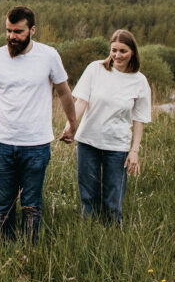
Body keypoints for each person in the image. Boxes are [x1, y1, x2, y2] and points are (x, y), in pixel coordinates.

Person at [0, 6, 77, 242]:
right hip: (3, 144)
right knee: (4, 206)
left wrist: (72, 125)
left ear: (32, 30)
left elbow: (64, 92)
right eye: (8, 31)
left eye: (18, 32)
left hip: (37, 145)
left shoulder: (49, 56)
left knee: (31, 206)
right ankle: (4, 252)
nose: (12, 36)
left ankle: (28, 253)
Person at [60, 29, 151, 225]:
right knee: (88, 197)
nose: (117, 55)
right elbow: (81, 101)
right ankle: (89, 232)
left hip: (117, 146)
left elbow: (139, 119)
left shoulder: (139, 81)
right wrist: (70, 126)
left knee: (113, 200)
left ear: (133, 52)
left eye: (123, 51)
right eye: (114, 50)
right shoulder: (95, 69)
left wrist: (134, 151)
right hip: (88, 142)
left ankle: (113, 235)